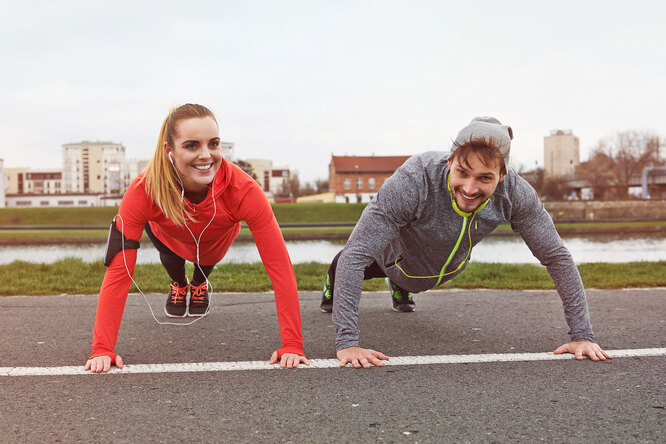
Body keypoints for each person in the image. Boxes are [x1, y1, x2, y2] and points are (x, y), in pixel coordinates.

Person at [320, 117, 612, 368]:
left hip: (446, 267)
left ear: (502, 175)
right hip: (393, 257)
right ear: (449, 161)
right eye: (462, 172)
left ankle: (402, 285)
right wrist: (347, 343)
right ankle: (342, 282)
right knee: (352, 259)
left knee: (418, 276)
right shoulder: (414, 180)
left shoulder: (516, 194)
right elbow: (356, 254)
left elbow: (556, 257)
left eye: (484, 178)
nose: (470, 189)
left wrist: (582, 336)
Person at [85, 103, 309, 373]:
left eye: (213, 143)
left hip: (214, 242)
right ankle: (179, 284)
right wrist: (102, 349)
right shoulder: (144, 190)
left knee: (205, 264)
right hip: (168, 238)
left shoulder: (245, 190)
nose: (206, 155)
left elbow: (280, 267)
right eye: (192, 145)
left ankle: (199, 283)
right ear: (170, 150)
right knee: (172, 261)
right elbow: (119, 272)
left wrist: (293, 344)